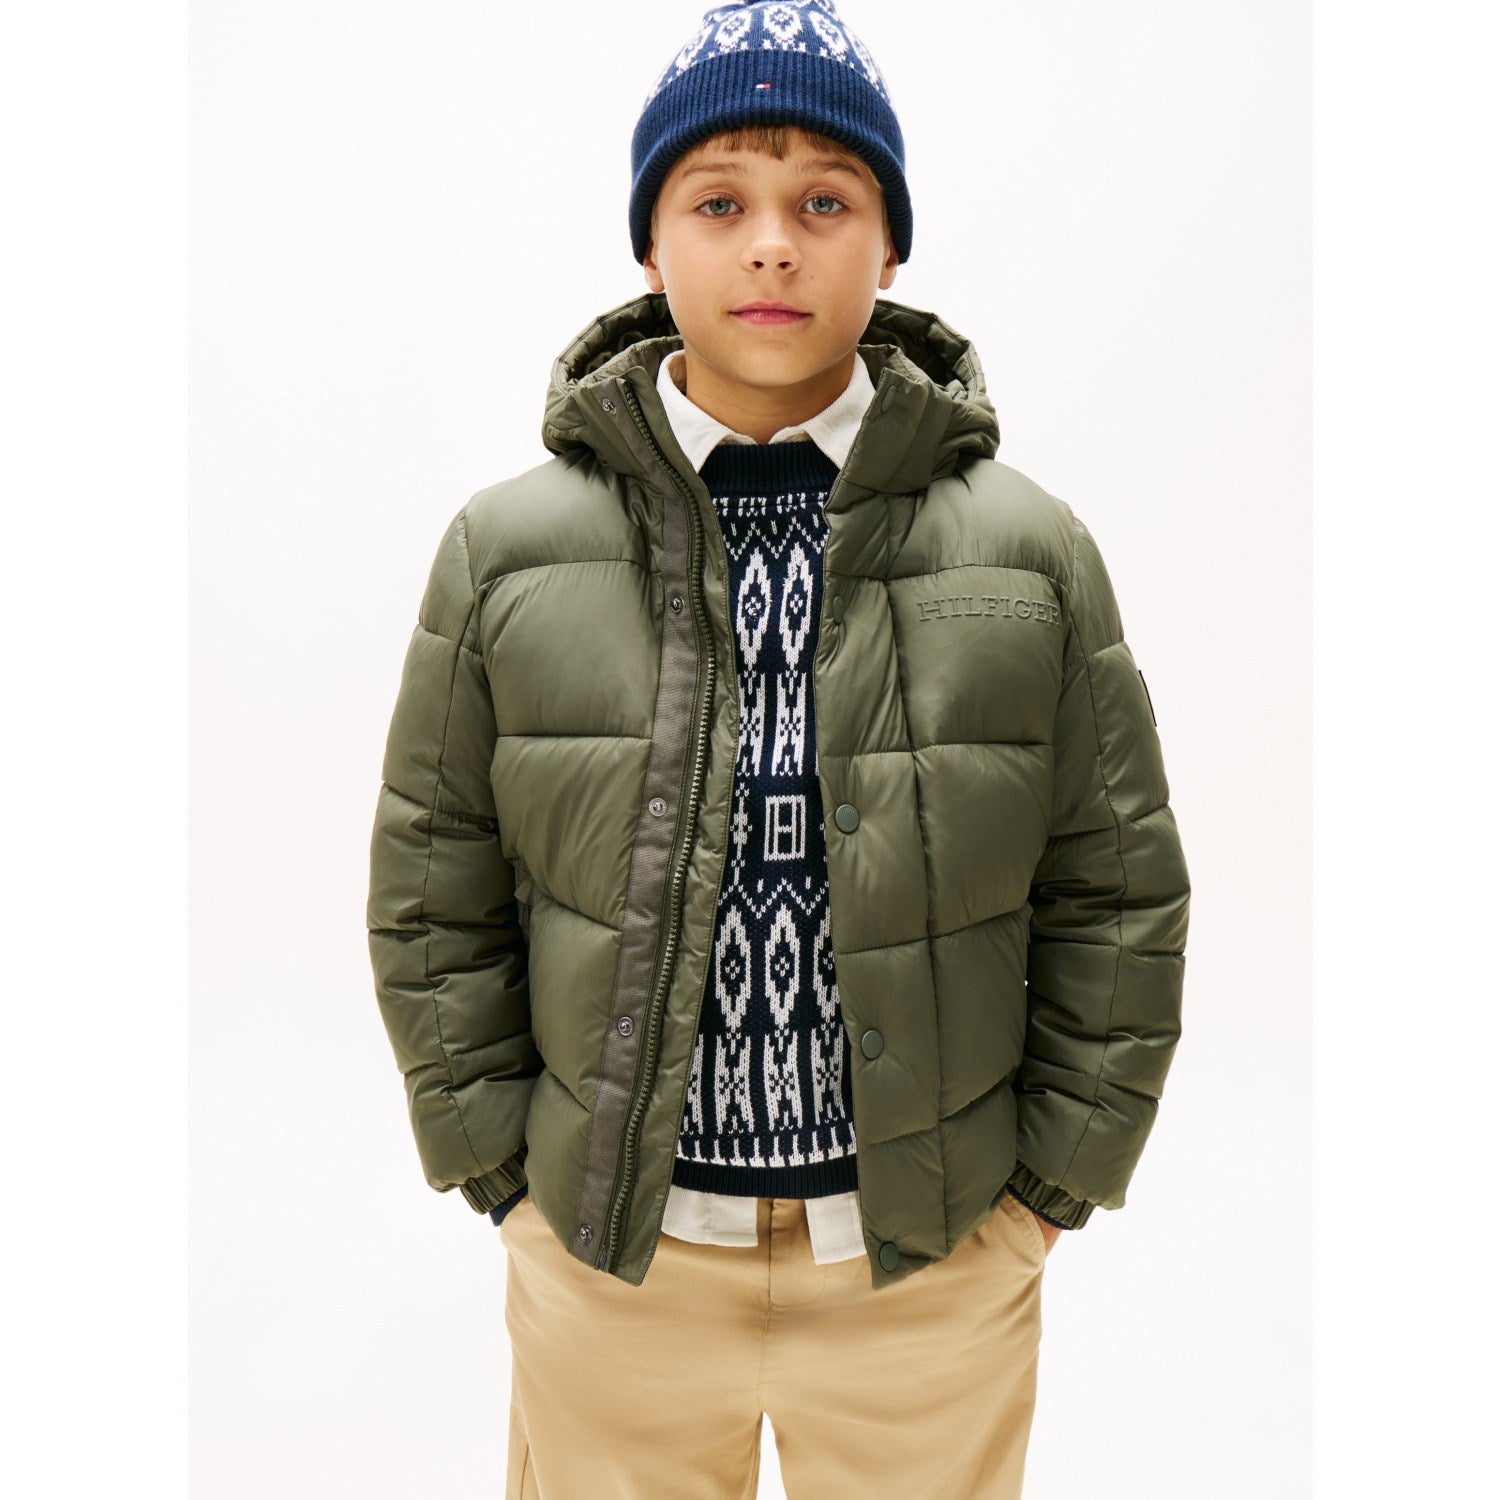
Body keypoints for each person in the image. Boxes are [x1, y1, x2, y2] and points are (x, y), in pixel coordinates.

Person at [365, 3, 1191, 1495]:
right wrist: (504, 1179)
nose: (770, 246)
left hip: (928, 1268)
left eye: (824, 202)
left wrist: (1048, 1191)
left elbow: (1118, 890)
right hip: (614, 1263)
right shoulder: (506, 553)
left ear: (890, 247)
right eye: (718, 202)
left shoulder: (1027, 551)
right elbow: (434, 887)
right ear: (648, 244)